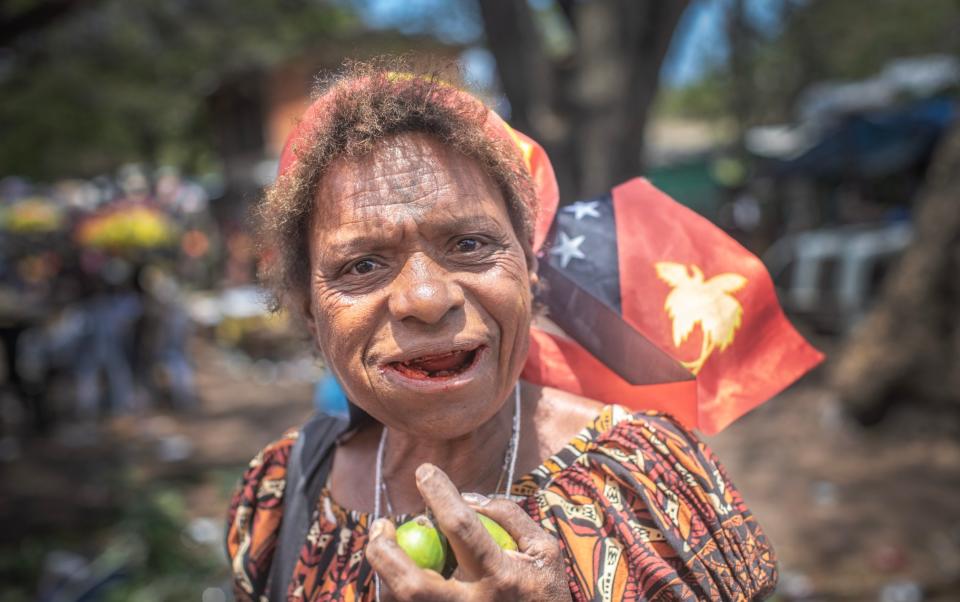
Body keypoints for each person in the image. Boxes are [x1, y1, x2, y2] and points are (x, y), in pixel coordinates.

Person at [226, 63, 777, 601]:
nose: (427, 299)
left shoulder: (646, 482)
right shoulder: (285, 492)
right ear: (306, 310)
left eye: (469, 244)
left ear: (531, 269)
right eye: (363, 265)